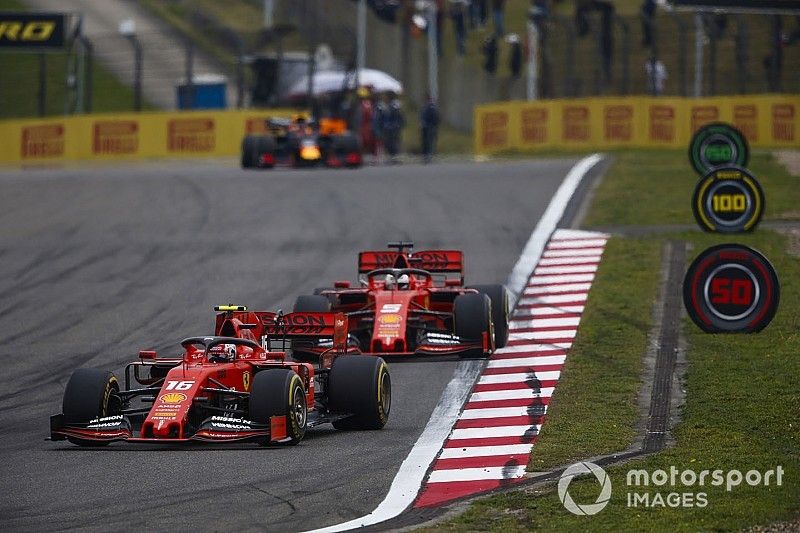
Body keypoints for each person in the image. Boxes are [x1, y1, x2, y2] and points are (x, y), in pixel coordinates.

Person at [384, 95, 404, 162]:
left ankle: (394, 158)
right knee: (390, 143)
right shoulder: (389, 107)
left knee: (394, 143)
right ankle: (392, 157)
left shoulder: (393, 106)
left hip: (394, 128)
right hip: (390, 128)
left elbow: (398, 117)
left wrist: (395, 125)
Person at [420, 95, 440, 164]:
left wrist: (431, 125)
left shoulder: (431, 107)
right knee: (426, 142)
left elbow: (434, 118)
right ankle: (426, 156)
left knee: (429, 142)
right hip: (426, 127)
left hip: (430, 127)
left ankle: (429, 157)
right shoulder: (426, 107)